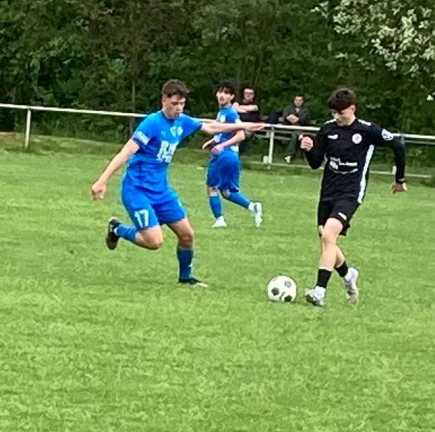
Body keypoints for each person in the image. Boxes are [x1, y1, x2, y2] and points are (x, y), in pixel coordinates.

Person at [91, 78, 264, 288]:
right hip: (137, 190)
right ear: (164, 100)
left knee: (187, 235)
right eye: (174, 104)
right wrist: (102, 180)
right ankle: (117, 229)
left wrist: (243, 125)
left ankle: (185, 278)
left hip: (162, 191)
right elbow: (125, 152)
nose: (178, 108)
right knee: (154, 242)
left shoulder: (182, 121)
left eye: (182, 104)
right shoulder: (152, 123)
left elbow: (211, 127)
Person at [299, 87, 406, 307]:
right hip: (328, 191)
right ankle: (348, 275)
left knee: (328, 235)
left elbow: (398, 144)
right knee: (326, 238)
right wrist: (308, 149)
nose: (337, 117)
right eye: (333, 113)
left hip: (351, 192)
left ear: (352, 109)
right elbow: (315, 163)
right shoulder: (327, 130)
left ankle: (319, 291)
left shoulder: (367, 130)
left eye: (341, 112)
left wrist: (400, 179)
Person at [202, 78, 263, 229]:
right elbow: (224, 133)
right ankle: (252, 207)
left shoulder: (230, 113)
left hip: (224, 155)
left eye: (226, 93)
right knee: (227, 192)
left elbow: (240, 135)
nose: (222, 95)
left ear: (232, 97)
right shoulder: (222, 113)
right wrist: (213, 141)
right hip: (231, 156)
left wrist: (221, 145)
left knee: (212, 187)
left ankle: (220, 220)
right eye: (220, 92)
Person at [280, 93, 313, 162]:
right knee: (296, 134)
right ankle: (298, 153)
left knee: (295, 135)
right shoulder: (288, 108)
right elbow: (285, 117)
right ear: (294, 101)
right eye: (296, 100)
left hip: (302, 130)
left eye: (300, 100)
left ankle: (289, 155)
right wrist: (296, 120)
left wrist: (293, 119)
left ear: (302, 101)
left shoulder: (306, 110)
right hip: (288, 130)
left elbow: (302, 120)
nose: (298, 102)